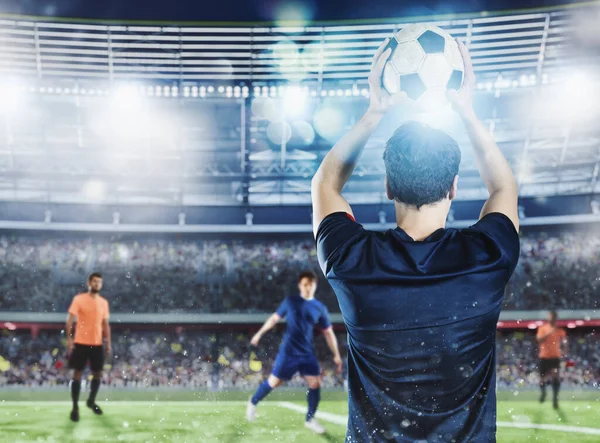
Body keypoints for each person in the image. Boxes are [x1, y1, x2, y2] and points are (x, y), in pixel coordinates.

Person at [311, 38, 520, 442]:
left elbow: (325, 182)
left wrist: (375, 112)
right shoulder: (487, 258)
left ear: (388, 186)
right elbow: (503, 186)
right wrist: (467, 112)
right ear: (455, 187)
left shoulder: (352, 261)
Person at [246, 271, 343, 434]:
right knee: (274, 383)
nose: (308, 287)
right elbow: (274, 319)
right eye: (305, 284)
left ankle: (310, 419)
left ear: (315, 285)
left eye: (311, 284)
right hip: (289, 351)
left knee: (315, 383)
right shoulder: (290, 301)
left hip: (307, 353)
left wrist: (337, 355)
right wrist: (258, 334)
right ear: (300, 285)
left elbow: (328, 333)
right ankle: (253, 402)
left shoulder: (320, 308)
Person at [66, 272, 112, 422]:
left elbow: (105, 324)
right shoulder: (79, 299)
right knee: (77, 374)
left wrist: (108, 342)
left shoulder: (103, 302)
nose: (97, 284)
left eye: (99, 282)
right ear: (89, 283)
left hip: (97, 344)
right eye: (94, 281)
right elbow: (70, 319)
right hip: (81, 343)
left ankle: (91, 401)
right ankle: (75, 407)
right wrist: (69, 338)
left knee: (98, 373)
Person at [536, 310, 567, 409]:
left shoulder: (559, 330)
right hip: (544, 357)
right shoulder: (543, 329)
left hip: (555, 357)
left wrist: (565, 348)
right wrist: (549, 332)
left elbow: (565, 340)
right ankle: (543, 392)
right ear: (548, 318)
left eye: (554, 317)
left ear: (556, 318)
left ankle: (555, 400)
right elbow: (539, 339)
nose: (552, 319)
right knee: (542, 379)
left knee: (555, 376)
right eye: (551, 317)